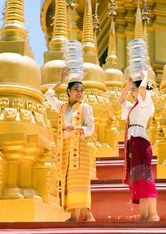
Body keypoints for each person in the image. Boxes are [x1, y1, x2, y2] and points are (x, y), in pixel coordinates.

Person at [44, 68, 96, 222]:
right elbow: (48, 95)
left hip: (79, 148)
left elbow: (91, 129)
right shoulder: (62, 107)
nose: (79, 93)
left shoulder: (85, 108)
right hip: (66, 147)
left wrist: (78, 128)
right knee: (69, 181)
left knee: (78, 181)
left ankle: (81, 215)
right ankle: (82, 215)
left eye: (81, 90)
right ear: (68, 91)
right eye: (76, 90)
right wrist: (60, 82)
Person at [118, 67, 159, 222]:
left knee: (146, 177)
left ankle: (153, 214)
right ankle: (143, 214)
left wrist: (146, 75)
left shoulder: (146, 102)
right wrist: (128, 85)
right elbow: (120, 100)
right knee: (138, 178)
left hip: (141, 141)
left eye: (133, 91)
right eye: (132, 92)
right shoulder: (132, 107)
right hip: (133, 143)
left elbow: (142, 88)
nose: (132, 94)